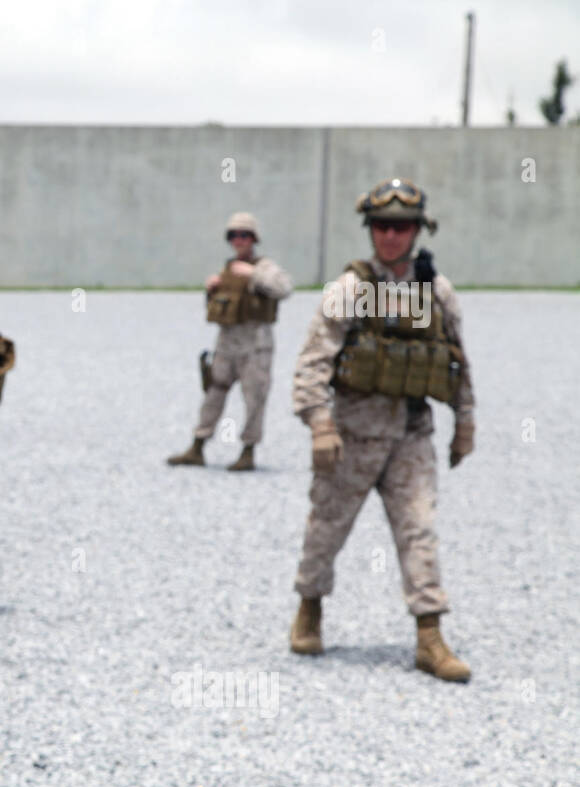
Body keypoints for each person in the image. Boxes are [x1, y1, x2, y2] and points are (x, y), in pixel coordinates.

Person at [289, 178, 475, 682]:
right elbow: (312, 362)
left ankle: (429, 636)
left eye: (402, 227)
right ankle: (309, 607)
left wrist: (466, 422)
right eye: (382, 227)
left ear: (418, 231)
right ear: (370, 231)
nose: (391, 236)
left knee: (420, 530)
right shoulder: (349, 290)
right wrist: (320, 424)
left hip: (410, 435)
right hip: (350, 436)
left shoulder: (434, 290)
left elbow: (456, 360)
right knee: (326, 528)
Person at [167, 212, 293, 471]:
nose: (239, 240)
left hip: (255, 344)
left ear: (254, 238)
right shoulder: (228, 269)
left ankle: (248, 450)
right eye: (234, 235)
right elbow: (216, 308)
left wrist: (254, 273)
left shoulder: (264, 267)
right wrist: (211, 288)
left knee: (254, 398)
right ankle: (198, 445)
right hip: (227, 342)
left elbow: (284, 288)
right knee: (213, 393)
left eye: (244, 235)